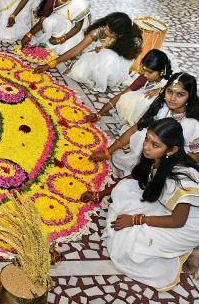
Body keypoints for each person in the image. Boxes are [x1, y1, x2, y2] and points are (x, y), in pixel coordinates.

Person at [82, 118, 199, 290]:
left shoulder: (181, 178)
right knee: (124, 189)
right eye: (147, 139)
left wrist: (136, 220)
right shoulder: (156, 157)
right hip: (166, 206)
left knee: (128, 250)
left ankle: (194, 251)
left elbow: (178, 221)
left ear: (172, 150)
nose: (146, 147)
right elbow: (136, 176)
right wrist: (100, 194)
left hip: (187, 225)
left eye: (155, 144)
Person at [90, 72, 199, 178]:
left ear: (190, 96)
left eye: (180, 94)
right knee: (143, 133)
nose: (172, 98)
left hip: (175, 163)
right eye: (169, 91)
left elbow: (195, 156)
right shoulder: (162, 106)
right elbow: (136, 129)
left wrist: (161, 167)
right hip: (149, 157)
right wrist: (108, 152)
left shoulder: (194, 123)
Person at [34, 12, 142, 92]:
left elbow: (132, 57)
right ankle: (99, 72)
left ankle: (105, 79)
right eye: (107, 26)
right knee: (78, 73)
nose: (105, 30)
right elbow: (77, 49)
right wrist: (50, 64)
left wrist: (108, 51)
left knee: (109, 56)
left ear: (120, 34)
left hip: (118, 61)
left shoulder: (134, 39)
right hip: (100, 55)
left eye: (110, 31)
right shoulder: (100, 30)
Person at [85, 49, 172, 129]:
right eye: (144, 70)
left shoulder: (171, 82)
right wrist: (99, 113)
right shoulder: (143, 78)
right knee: (127, 97)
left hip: (161, 115)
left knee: (146, 100)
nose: (145, 75)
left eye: (150, 72)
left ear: (161, 71)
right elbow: (122, 95)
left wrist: (161, 90)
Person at [21, 0, 90, 54]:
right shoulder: (52, 0)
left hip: (72, 30)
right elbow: (41, 22)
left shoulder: (78, 3)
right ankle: (52, 36)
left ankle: (56, 39)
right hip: (57, 25)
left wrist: (60, 40)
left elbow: (77, 28)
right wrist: (29, 35)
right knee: (49, 22)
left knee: (65, 50)